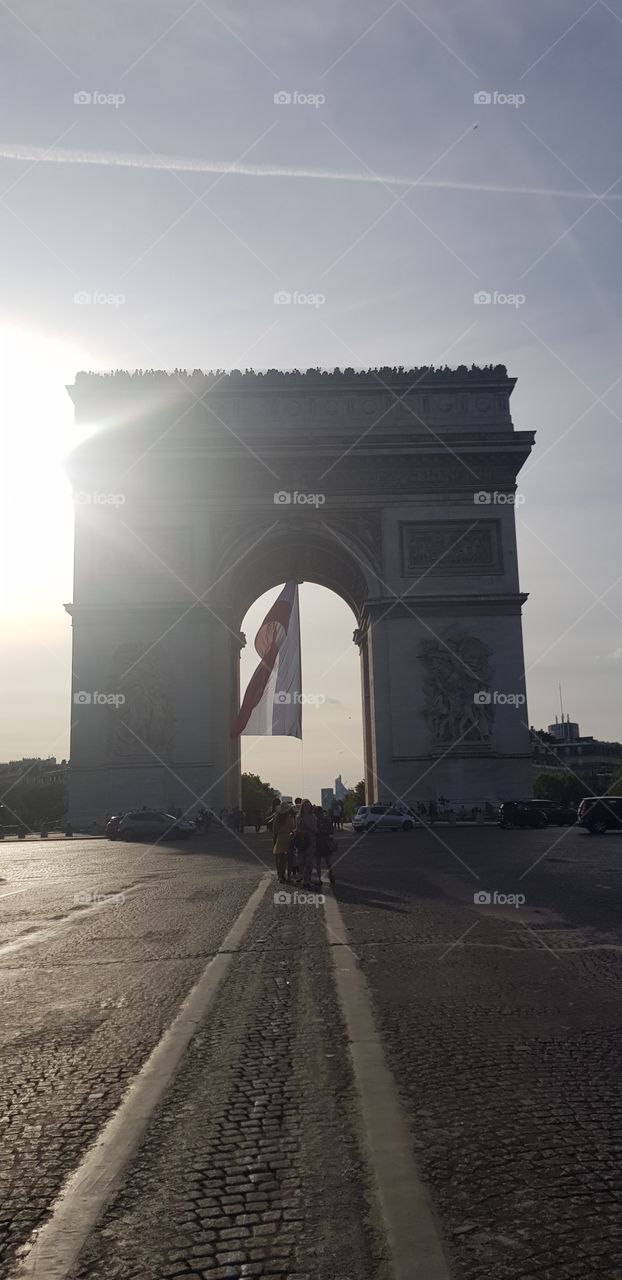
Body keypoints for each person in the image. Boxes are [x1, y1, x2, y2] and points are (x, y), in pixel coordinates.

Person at [295, 799, 317, 890]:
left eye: (308, 806)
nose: (307, 807)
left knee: (309, 861)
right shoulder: (298, 817)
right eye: (305, 806)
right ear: (302, 807)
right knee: (301, 861)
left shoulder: (313, 817)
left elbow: (315, 830)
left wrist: (308, 827)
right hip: (300, 840)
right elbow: (296, 828)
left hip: (310, 840)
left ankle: (307, 880)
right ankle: (304, 877)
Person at [271, 801, 295, 883]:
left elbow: (274, 831)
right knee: (288, 859)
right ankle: (287, 875)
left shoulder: (277, 818)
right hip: (289, 837)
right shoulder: (290, 818)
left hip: (280, 838)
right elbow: (293, 828)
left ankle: (280, 875)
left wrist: (274, 840)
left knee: (280, 858)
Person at [315, 807, 336, 886]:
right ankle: (320, 878)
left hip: (324, 842)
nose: (318, 814)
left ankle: (330, 876)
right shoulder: (315, 821)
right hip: (318, 842)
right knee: (320, 862)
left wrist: (321, 831)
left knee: (326, 862)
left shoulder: (326, 820)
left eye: (319, 813)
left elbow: (331, 831)